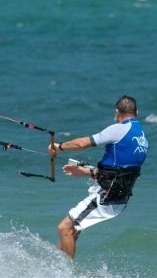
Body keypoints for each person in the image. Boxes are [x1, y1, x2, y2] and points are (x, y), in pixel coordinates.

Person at [48, 95, 148, 258]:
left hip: (106, 196)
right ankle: (53, 265)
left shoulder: (119, 129)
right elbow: (121, 172)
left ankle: (65, 277)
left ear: (117, 113)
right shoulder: (142, 138)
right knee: (73, 231)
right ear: (137, 112)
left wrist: (60, 147)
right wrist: (87, 172)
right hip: (117, 196)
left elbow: (83, 143)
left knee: (64, 228)